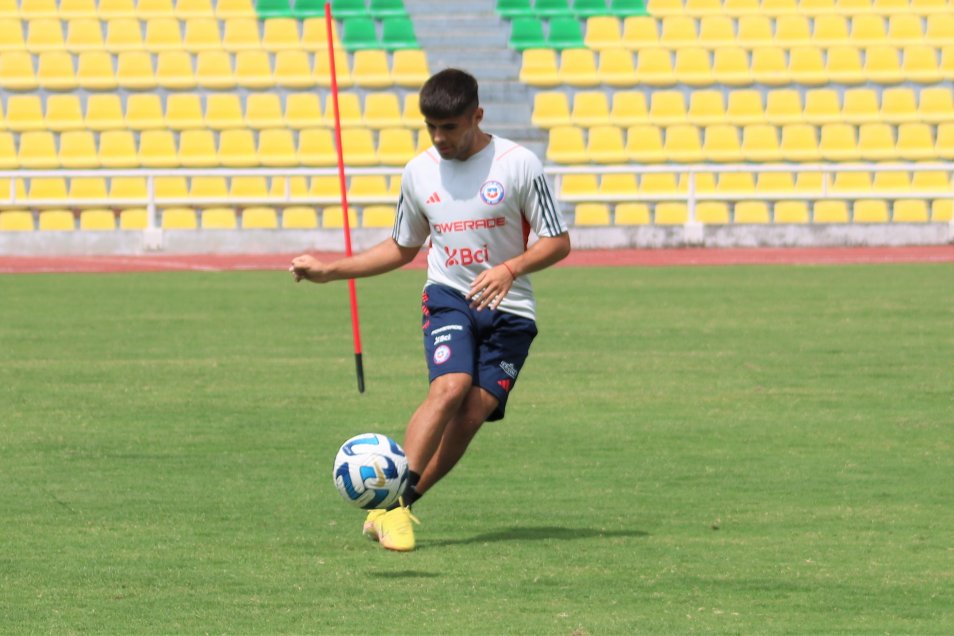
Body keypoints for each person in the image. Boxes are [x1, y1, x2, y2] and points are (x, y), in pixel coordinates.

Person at [290, 68, 570, 551]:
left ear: (477, 116)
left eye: (451, 127)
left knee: (471, 414)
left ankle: (394, 506)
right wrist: (331, 271)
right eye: (431, 128)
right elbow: (402, 247)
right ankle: (394, 512)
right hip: (448, 295)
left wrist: (509, 269)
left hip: (511, 309)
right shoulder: (418, 172)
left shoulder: (519, 164)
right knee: (450, 387)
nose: (440, 138)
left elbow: (559, 242)